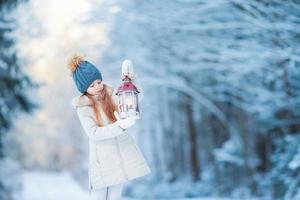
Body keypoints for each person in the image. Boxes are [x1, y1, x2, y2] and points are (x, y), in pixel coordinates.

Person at [67, 55, 151, 200]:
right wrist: (119, 126)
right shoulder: (83, 107)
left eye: (99, 82)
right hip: (102, 161)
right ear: (83, 88)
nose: (98, 87)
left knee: (115, 197)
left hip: (118, 159)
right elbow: (93, 133)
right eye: (92, 85)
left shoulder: (112, 94)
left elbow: (135, 98)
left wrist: (132, 79)